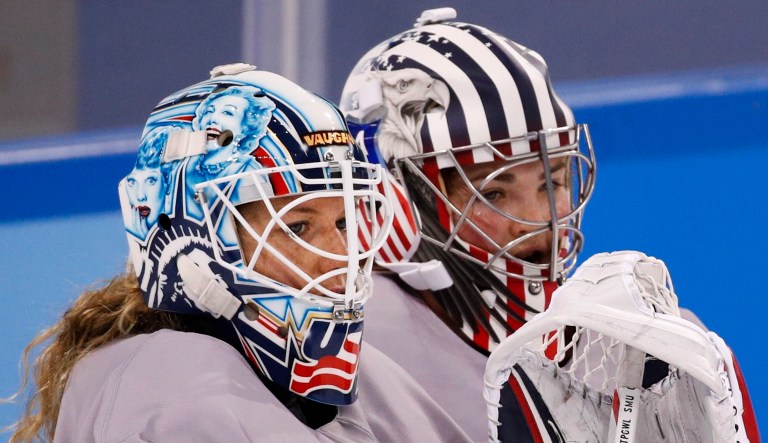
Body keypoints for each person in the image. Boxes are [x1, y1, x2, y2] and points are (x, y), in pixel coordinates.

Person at [340, 8, 759, 442]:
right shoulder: (345, 359)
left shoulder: (650, 349)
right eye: (492, 193)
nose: (541, 220)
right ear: (394, 198)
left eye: (552, 181)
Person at [10, 63, 470, 442]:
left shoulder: (343, 369)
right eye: (297, 226)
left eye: (344, 222)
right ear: (194, 229)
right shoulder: (177, 397)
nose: (340, 256)